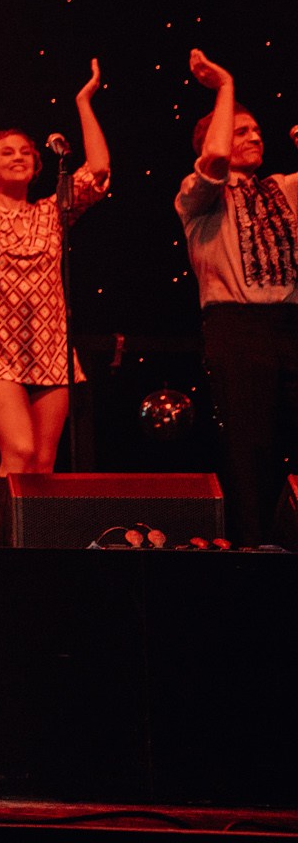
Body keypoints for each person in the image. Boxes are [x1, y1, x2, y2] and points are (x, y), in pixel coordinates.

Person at [0, 55, 109, 493]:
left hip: (50, 348)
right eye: (6, 152)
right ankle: (6, 559)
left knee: (42, 462)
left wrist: (83, 101)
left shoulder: (50, 212)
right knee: (18, 450)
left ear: (38, 165)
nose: (18, 157)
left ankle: (34, 554)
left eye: (25, 152)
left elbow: (97, 172)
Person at [177, 49, 298, 545]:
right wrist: (224, 86)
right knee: (251, 446)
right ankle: (253, 547)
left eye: (257, 132)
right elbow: (217, 160)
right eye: (240, 130)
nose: (254, 137)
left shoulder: (285, 188)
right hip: (237, 326)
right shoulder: (198, 192)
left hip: (291, 323)